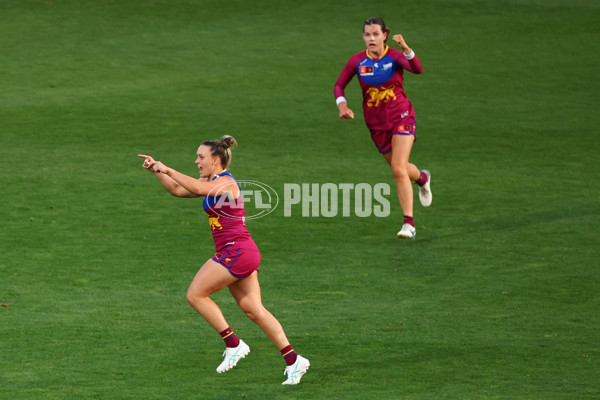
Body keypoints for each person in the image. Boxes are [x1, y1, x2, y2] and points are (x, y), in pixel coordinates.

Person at [137, 136, 309, 385]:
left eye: (201, 157)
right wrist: (157, 170)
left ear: (216, 159)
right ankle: (294, 360)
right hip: (241, 251)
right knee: (254, 310)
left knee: (195, 295)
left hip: (236, 251)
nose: (197, 161)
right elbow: (177, 189)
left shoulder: (227, 183)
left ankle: (234, 344)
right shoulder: (210, 181)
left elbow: (196, 189)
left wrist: (169, 168)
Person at [334, 17, 432, 239]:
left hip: (402, 116)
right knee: (402, 168)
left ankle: (409, 224)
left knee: (398, 168)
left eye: (375, 34)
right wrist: (342, 105)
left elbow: (417, 69)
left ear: (384, 35)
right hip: (377, 125)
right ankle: (422, 178)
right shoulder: (357, 61)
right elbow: (339, 84)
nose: (371, 38)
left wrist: (406, 48)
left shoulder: (395, 56)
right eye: (367, 34)